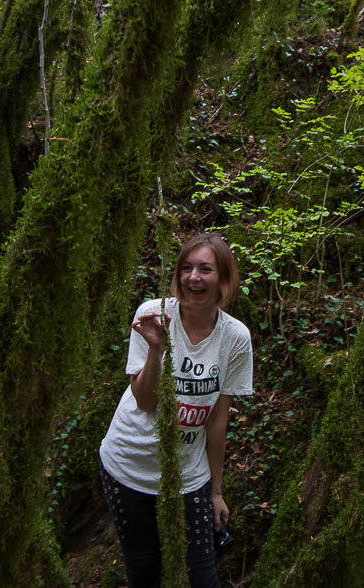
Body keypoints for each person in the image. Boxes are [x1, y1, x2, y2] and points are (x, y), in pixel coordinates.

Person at [99, 233, 254, 588]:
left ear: (224, 279)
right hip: (127, 464)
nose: (193, 278)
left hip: (189, 474)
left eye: (205, 269)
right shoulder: (153, 314)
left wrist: (216, 491)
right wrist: (156, 348)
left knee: (202, 576)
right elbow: (144, 400)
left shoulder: (235, 337)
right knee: (144, 570)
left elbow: (217, 420)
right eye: (186, 268)